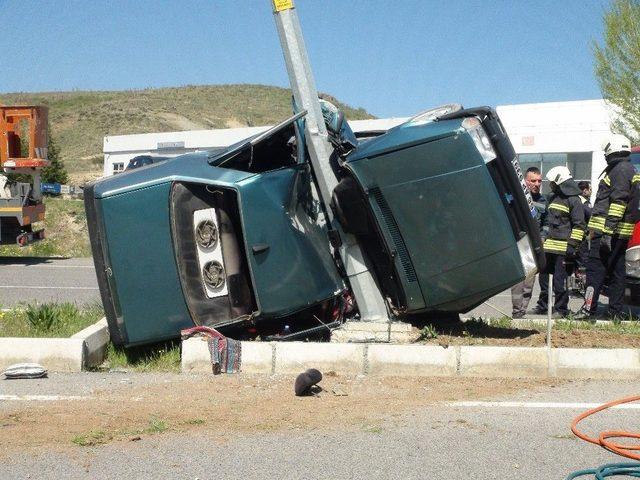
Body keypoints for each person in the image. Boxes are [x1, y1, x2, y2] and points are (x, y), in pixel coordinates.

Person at [580, 134, 636, 319]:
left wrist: (607, 231)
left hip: (608, 232)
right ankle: (615, 313)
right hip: (619, 233)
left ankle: (589, 311)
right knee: (617, 272)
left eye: (606, 152)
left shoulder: (619, 169)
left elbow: (619, 201)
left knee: (595, 272)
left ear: (612, 150)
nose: (605, 156)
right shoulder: (628, 168)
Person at [537, 166, 585, 317]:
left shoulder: (574, 200)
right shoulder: (552, 197)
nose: (550, 185)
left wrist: (572, 245)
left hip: (564, 250)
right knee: (544, 279)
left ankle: (561, 309)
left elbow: (579, 225)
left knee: (560, 282)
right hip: (549, 248)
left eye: (552, 182)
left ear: (560, 181)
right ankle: (543, 306)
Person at [511, 167, 547, 318]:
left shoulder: (543, 200)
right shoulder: (516, 196)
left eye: (539, 181)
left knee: (529, 281)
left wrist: (543, 236)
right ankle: (516, 311)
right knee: (519, 281)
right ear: (525, 181)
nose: (537, 184)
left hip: (534, 245)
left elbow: (546, 221)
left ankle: (521, 312)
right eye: (533, 181)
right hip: (519, 243)